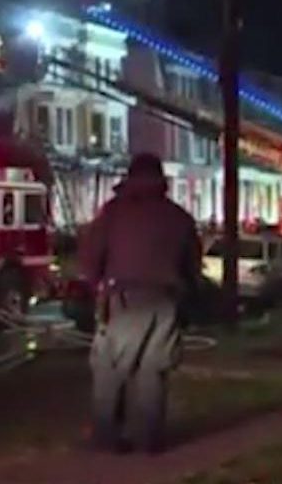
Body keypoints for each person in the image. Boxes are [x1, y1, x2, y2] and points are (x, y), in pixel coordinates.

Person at [80, 152, 202, 453]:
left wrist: (96, 284)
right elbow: (192, 266)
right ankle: (150, 439)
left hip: (121, 299)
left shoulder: (112, 213)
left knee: (109, 368)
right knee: (153, 370)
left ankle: (107, 437)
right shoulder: (179, 217)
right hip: (164, 300)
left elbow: (91, 256)